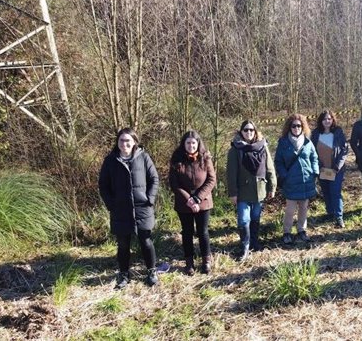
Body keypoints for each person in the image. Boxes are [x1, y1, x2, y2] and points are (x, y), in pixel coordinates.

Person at [98, 128, 160, 289]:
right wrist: (111, 204)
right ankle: (124, 274)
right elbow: (103, 185)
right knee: (123, 244)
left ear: (134, 142)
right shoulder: (110, 161)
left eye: (128, 141)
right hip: (120, 209)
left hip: (142, 208)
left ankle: (152, 271)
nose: (124, 144)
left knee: (145, 241)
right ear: (117, 142)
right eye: (121, 140)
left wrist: (150, 199)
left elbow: (154, 179)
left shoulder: (144, 157)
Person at [226, 120, 277, 260]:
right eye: (246, 130)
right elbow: (231, 173)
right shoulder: (235, 149)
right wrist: (233, 193)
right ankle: (245, 247)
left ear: (255, 131)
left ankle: (255, 243)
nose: (249, 132)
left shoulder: (262, 147)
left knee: (255, 218)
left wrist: (272, 187)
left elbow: (269, 168)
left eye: (251, 130)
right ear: (241, 132)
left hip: (260, 190)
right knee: (243, 220)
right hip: (243, 192)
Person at [169, 130, 216, 275]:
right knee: (187, 232)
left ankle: (206, 261)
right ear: (184, 144)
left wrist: (197, 198)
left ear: (198, 143)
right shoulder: (176, 159)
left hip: (203, 201)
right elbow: (174, 183)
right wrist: (188, 199)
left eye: (193, 143)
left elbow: (211, 180)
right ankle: (189, 263)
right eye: (188, 143)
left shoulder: (205, 158)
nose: (191, 146)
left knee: (203, 232)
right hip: (184, 203)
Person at [275, 113, 319, 244]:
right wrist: (284, 175)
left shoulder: (308, 142)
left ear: (303, 127)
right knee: (290, 209)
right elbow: (278, 161)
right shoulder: (283, 143)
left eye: (299, 126)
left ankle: (302, 230)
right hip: (291, 182)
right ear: (289, 127)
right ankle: (287, 232)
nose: (296, 128)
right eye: (293, 126)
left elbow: (314, 158)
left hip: (306, 181)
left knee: (304, 208)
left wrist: (314, 172)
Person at [311, 110, 349, 228]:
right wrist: (317, 166)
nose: (327, 121)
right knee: (326, 192)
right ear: (320, 121)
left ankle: (339, 217)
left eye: (329, 119)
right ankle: (330, 213)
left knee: (335, 192)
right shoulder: (316, 134)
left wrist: (338, 165)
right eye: (324, 119)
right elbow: (312, 151)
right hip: (322, 168)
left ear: (333, 120)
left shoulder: (338, 132)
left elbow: (344, 150)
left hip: (336, 169)